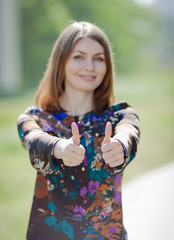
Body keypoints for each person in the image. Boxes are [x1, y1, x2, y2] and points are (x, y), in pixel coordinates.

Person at [17, 21, 140, 240]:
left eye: (99, 59)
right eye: (79, 57)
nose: (90, 67)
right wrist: (59, 147)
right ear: (61, 62)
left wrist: (120, 145)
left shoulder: (120, 115)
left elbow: (129, 132)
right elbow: (33, 139)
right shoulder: (35, 119)